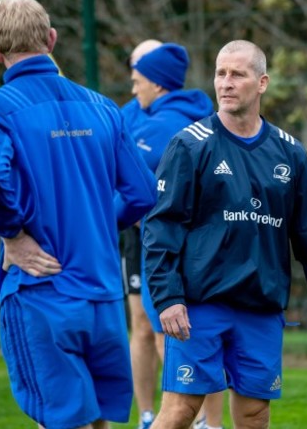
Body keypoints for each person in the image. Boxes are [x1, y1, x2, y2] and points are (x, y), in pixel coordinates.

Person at [0, 0, 157, 429]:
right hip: (104, 296)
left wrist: (11, 234)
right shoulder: (103, 107)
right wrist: (96, 223)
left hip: (43, 291)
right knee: (95, 421)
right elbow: (143, 192)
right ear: (51, 39)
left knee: (62, 420)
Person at [143, 39, 307, 429]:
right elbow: (161, 228)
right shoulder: (189, 145)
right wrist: (168, 297)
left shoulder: (290, 153)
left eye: (237, 74)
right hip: (200, 307)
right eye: (220, 73)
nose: (226, 82)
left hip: (261, 309)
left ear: (262, 82)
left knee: (255, 415)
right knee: (180, 412)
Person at [124, 41, 226, 429]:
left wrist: (122, 212)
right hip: (200, 247)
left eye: (138, 80)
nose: (134, 89)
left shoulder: (162, 126)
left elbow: (131, 186)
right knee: (198, 335)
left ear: (158, 84)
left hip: (165, 246)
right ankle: (205, 423)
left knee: (170, 331)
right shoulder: (186, 114)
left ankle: (190, 420)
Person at [118, 38, 163, 429]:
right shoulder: (124, 116)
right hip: (135, 235)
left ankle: (191, 415)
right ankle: (147, 416)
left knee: (172, 323)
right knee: (142, 324)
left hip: (172, 235)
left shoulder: (179, 115)